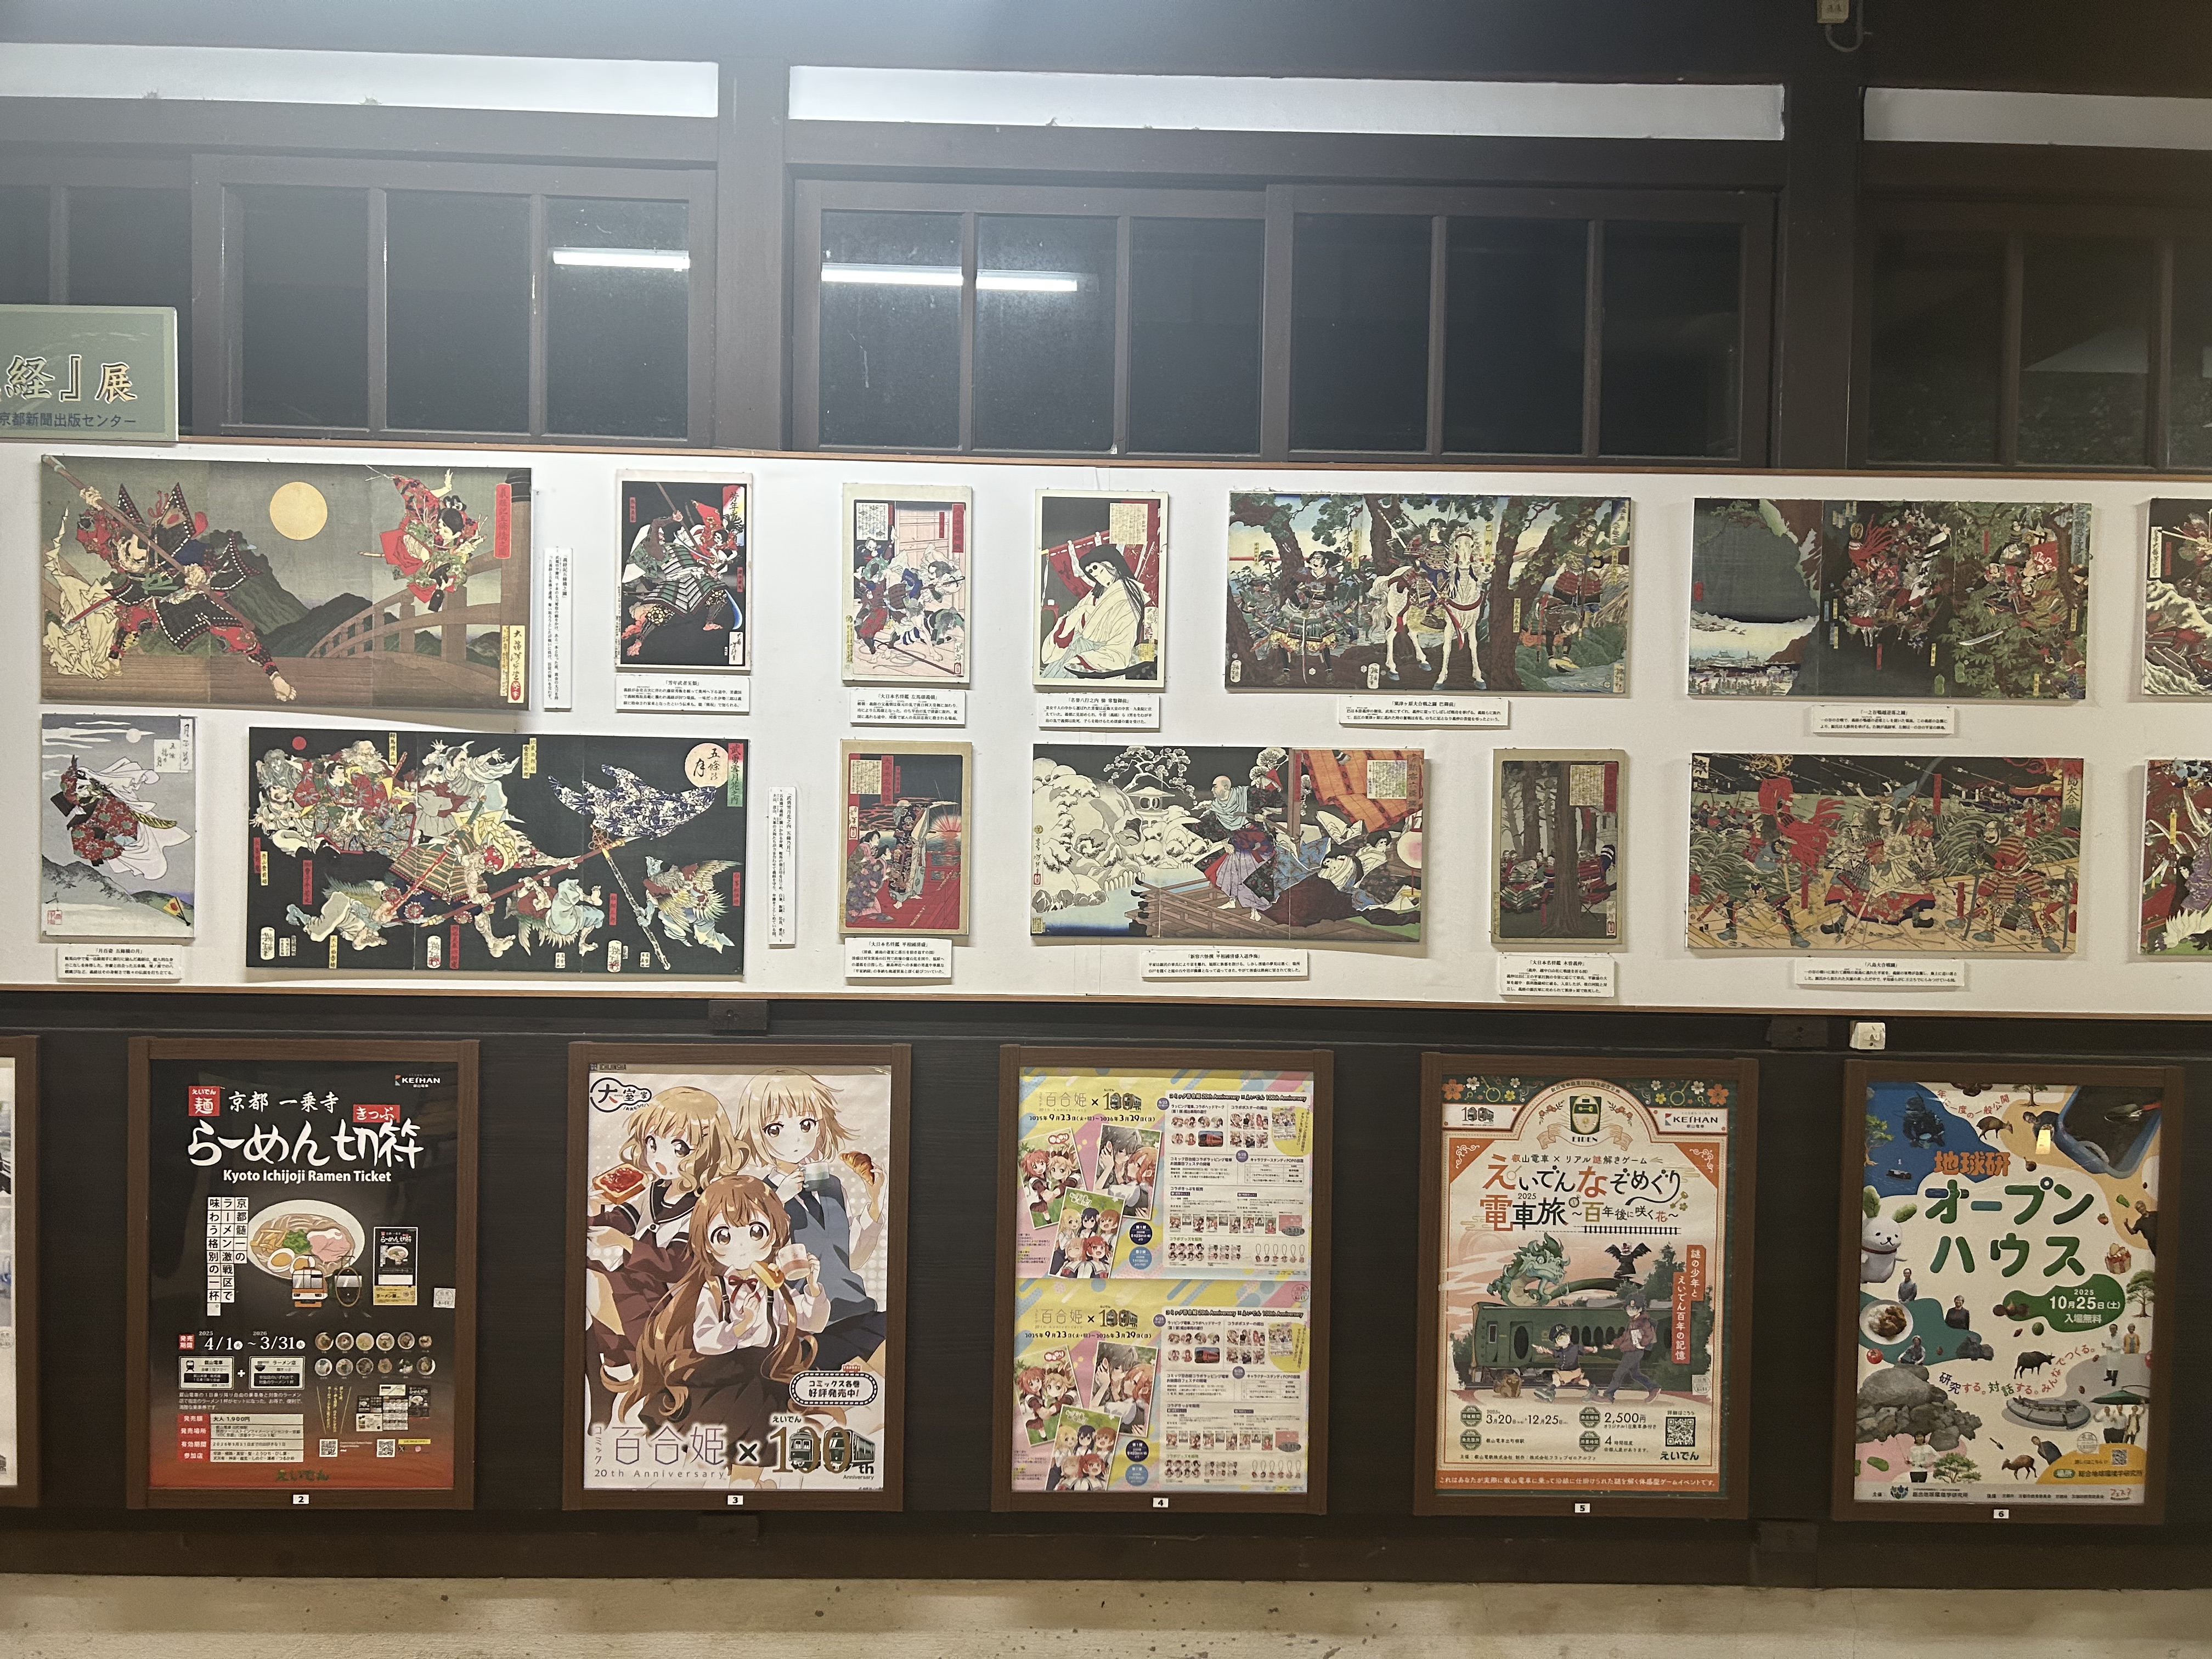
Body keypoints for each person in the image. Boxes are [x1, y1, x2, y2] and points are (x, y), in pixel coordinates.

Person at [618, 1175, 826, 1463]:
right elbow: (704, 1339)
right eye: (724, 1237)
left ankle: (747, 1479)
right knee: (712, 1438)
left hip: (766, 1371)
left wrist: (813, 1288)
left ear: (775, 1234)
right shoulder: (714, 1289)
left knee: (763, 1438)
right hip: (723, 1374)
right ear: (707, 1243)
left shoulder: (774, 1287)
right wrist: (740, 1326)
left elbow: (812, 1322)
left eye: (756, 1232)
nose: (741, 1247)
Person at [583, 1088, 738, 1425]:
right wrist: (597, 1212)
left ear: (708, 1151)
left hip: (672, 1300)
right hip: (634, 1283)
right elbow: (623, 1220)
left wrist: (626, 1244)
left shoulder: (706, 1204)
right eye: (652, 1143)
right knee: (590, 1279)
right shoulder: (654, 1189)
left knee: (596, 1284)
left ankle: (623, 1365)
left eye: (679, 1147)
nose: (659, 1156)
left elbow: (680, 1264)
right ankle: (617, 1364)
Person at [725, 1068, 886, 1374]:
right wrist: (777, 1202)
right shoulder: (755, 1197)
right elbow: (745, 1263)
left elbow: (852, 1257)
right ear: (756, 1134)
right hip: (800, 1325)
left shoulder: (832, 1186)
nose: (795, 1138)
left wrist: (876, 1202)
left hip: (855, 1309)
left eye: (806, 1124)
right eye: (775, 1129)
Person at [1040, 544, 1148, 679]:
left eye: (1097, 569)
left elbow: (1122, 643)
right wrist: (1082, 610)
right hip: (1074, 652)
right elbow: (1071, 618)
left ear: (1112, 565)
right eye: (1091, 573)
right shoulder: (1094, 594)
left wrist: (1084, 660)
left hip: (1097, 660)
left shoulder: (1127, 595)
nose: (1096, 576)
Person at [1596, 1297, 1660, 1403]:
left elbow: (1649, 1335)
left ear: (1640, 1309)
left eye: (1633, 1308)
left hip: (1635, 1352)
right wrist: (1614, 1345)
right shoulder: (1632, 1321)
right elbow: (1625, 1336)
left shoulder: (1644, 1322)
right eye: (1628, 1308)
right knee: (1635, 1374)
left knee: (1619, 1373)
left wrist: (1642, 1345)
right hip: (1630, 1351)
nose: (1630, 1311)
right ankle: (1654, 1388)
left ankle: (1609, 1396)